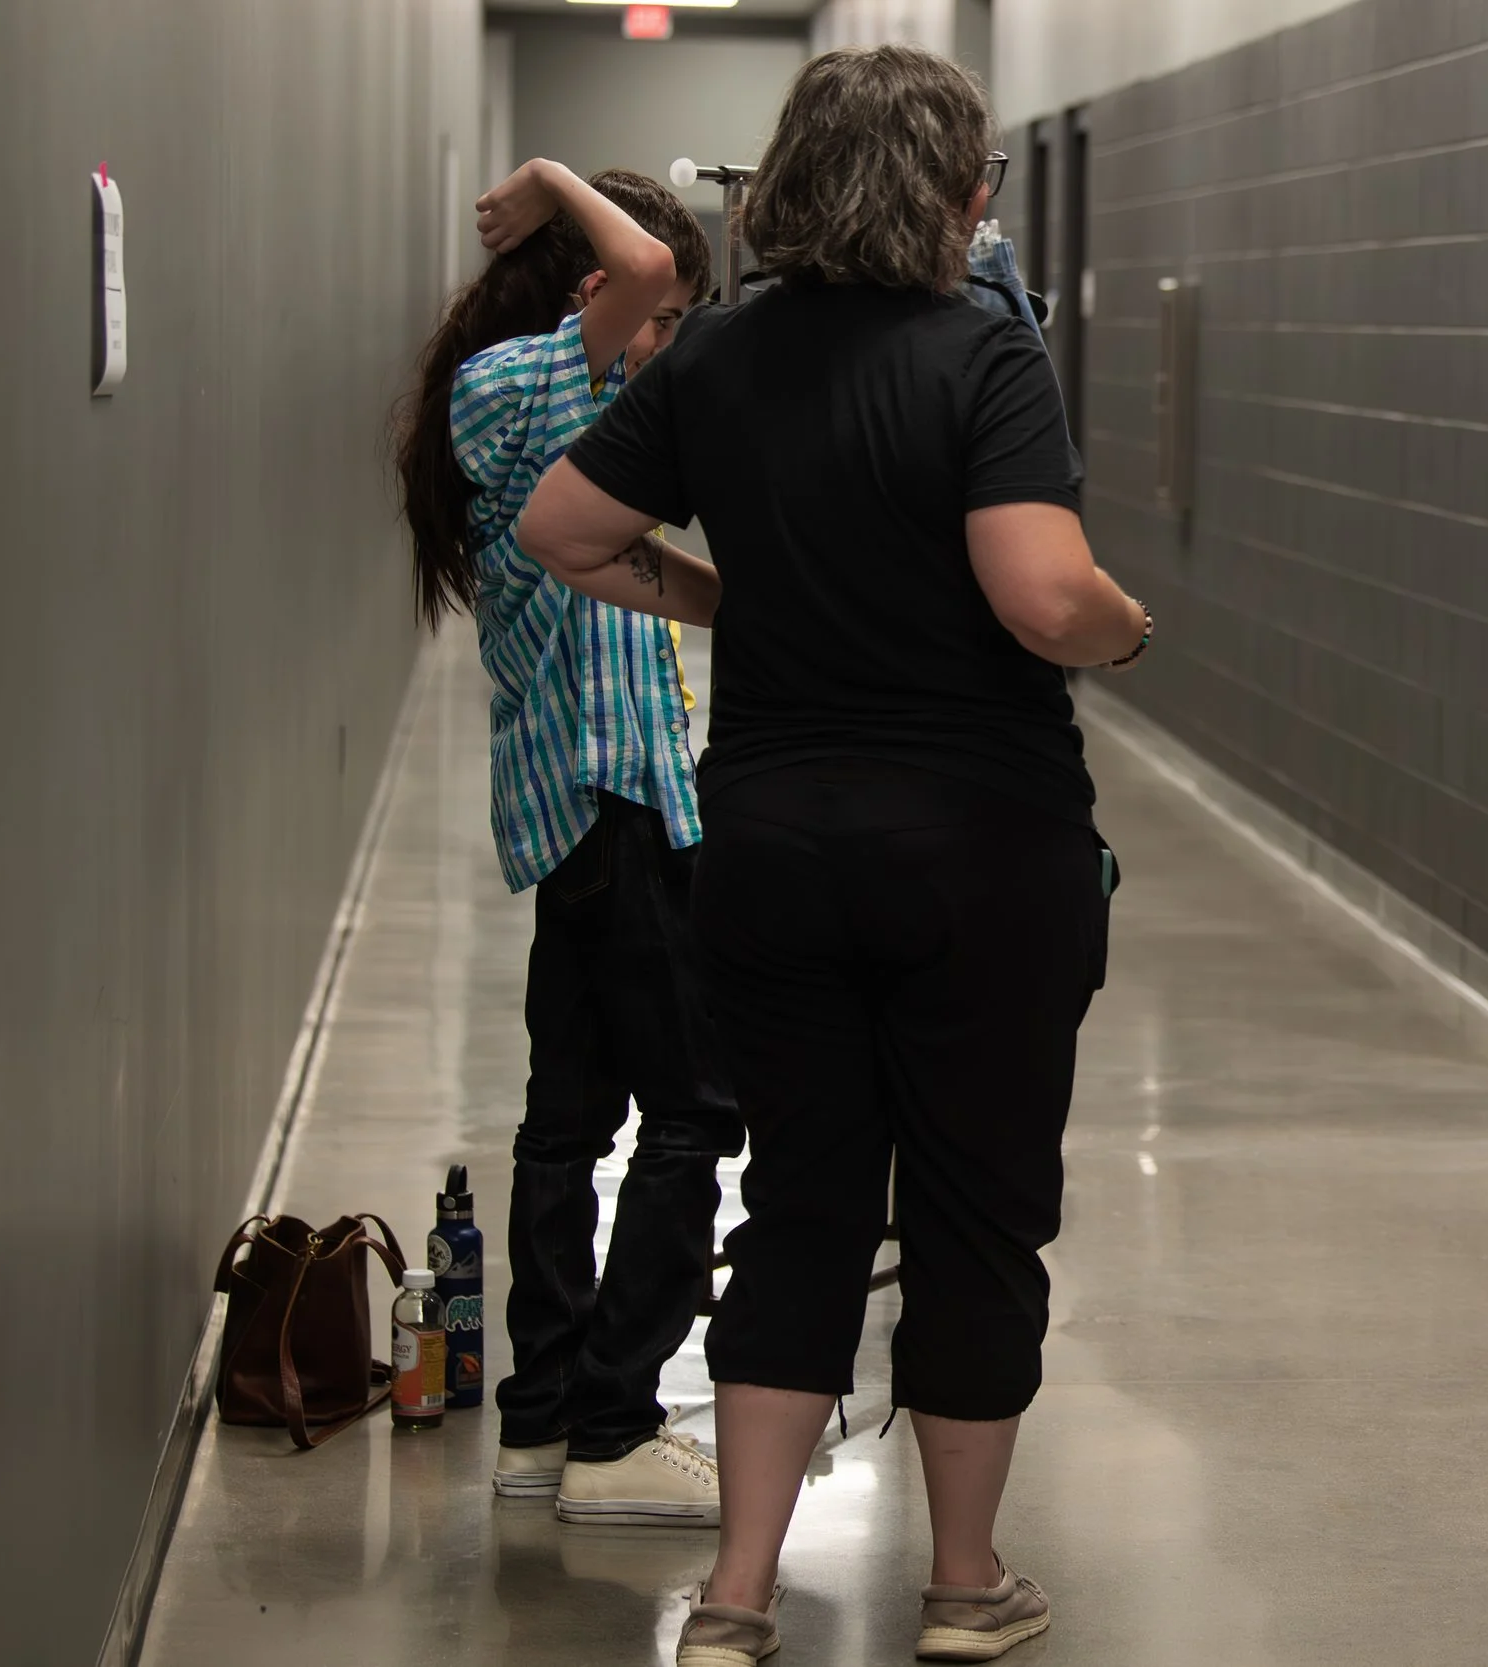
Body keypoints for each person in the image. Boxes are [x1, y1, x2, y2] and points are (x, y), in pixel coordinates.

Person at [513, 47, 1151, 1667]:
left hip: (773, 850)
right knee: (973, 1213)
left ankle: (735, 1597)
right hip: (980, 854)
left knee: (794, 1200)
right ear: (952, 192)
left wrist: (731, 601)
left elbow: (561, 533)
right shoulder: (983, 356)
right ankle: (960, 1582)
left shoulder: (718, 356)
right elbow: (1040, 593)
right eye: (984, 173)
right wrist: (1123, 624)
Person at [396, 159, 741, 1527]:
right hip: (610, 801)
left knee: (571, 1114)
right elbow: (653, 273)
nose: (667, 346)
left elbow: (635, 564)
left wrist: (772, 603)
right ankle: (613, 1415)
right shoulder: (525, 386)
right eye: (658, 321)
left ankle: (541, 1423)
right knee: (697, 1109)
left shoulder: (557, 409)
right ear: (595, 289)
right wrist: (549, 180)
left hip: (598, 805)